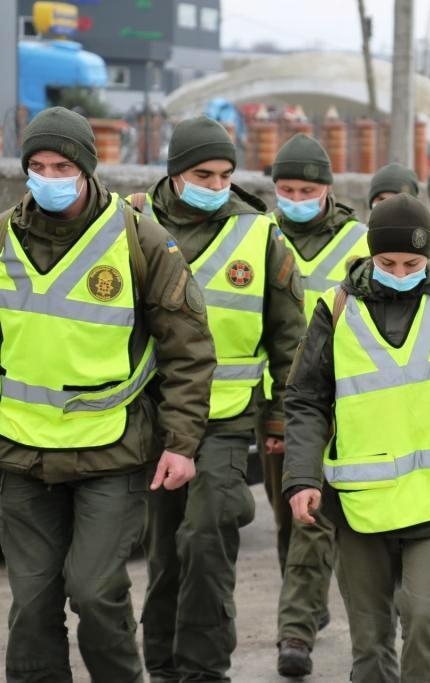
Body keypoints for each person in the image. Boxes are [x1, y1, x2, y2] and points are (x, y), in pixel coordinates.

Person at [0, 107, 216, 682]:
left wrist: (182, 443)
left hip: (112, 449)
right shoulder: (3, 236)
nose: (48, 176)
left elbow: (188, 349)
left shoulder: (139, 238)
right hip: (21, 453)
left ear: (88, 170)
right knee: (31, 606)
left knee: (96, 595)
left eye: (61, 165)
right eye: (37, 165)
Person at [283, 193, 430, 682]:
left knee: (423, 616)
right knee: (370, 641)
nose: (398, 271)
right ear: (370, 255)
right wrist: (302, 477)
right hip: (361, 505)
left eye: (411, 262)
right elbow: (306, 400)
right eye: (386, 262)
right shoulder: (336, 310)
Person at [136, 116, 306, 681]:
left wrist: (281, 414)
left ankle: (204, 670)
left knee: (206, 541)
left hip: (228, 420)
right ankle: (161, 663)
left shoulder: (260, 234)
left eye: (225, 175)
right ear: (174, 173)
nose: (215, 185)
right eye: (202, 174)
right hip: (149, 415)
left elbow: (289, 335)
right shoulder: (133, 223)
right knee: (163, 553)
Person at [266, 133, 371, 677]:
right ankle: (307, 604)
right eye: (285, 188)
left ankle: (295, 633)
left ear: (328, 189)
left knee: (313, 522)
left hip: (340, 405)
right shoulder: (258, 236)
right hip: (276, 402)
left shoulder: (362, 243)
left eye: (307, 188)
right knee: (290, 519)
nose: (295, 197)